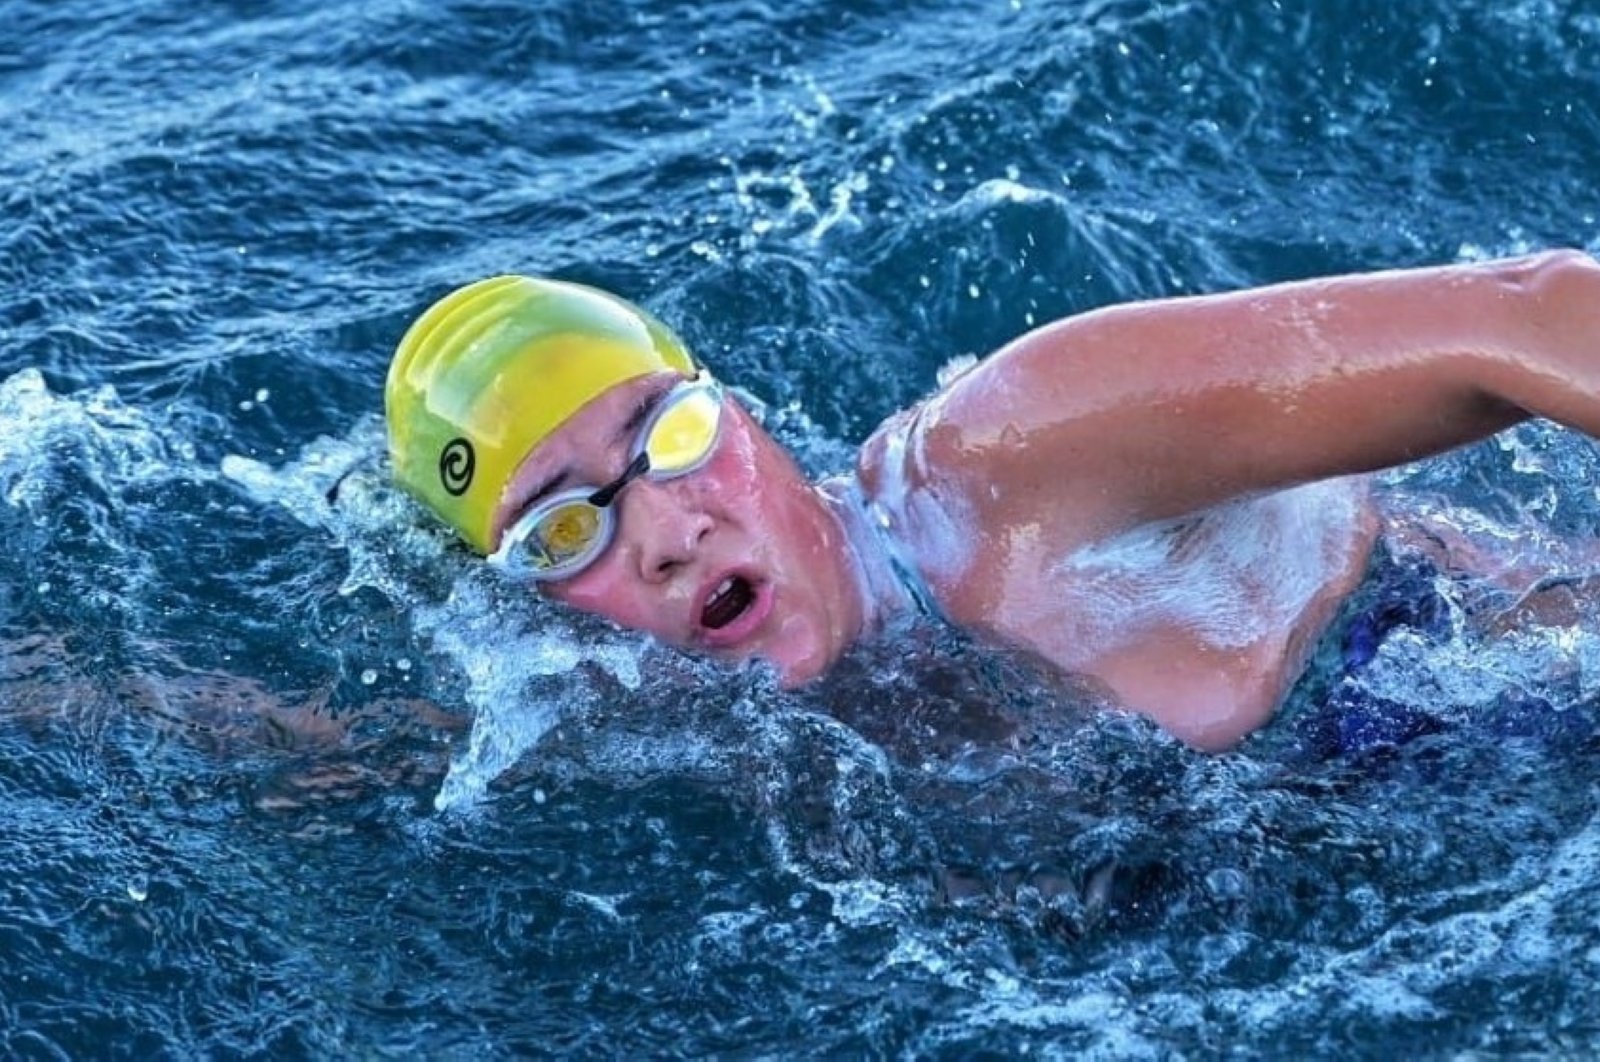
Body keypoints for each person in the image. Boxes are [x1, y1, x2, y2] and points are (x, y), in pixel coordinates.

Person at [384, 251, 1600, 751]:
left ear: (744, 415)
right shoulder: (612, 713)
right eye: (560, 532)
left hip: (1491, 687)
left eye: (673, 435)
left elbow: (1528, 311)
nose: (662, 531)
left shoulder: (1008, 461)